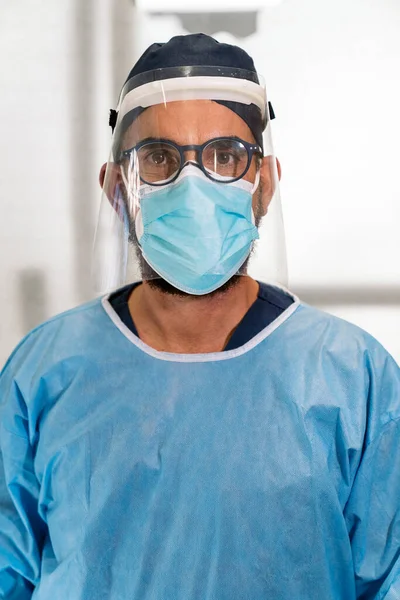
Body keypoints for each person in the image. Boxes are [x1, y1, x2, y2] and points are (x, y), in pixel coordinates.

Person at [0, 33, 399, 600]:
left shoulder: (355, 379)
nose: (193, 185)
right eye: (159, 158)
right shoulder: (42, 375)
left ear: (264, 185)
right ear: (117, 190)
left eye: (225, 157)